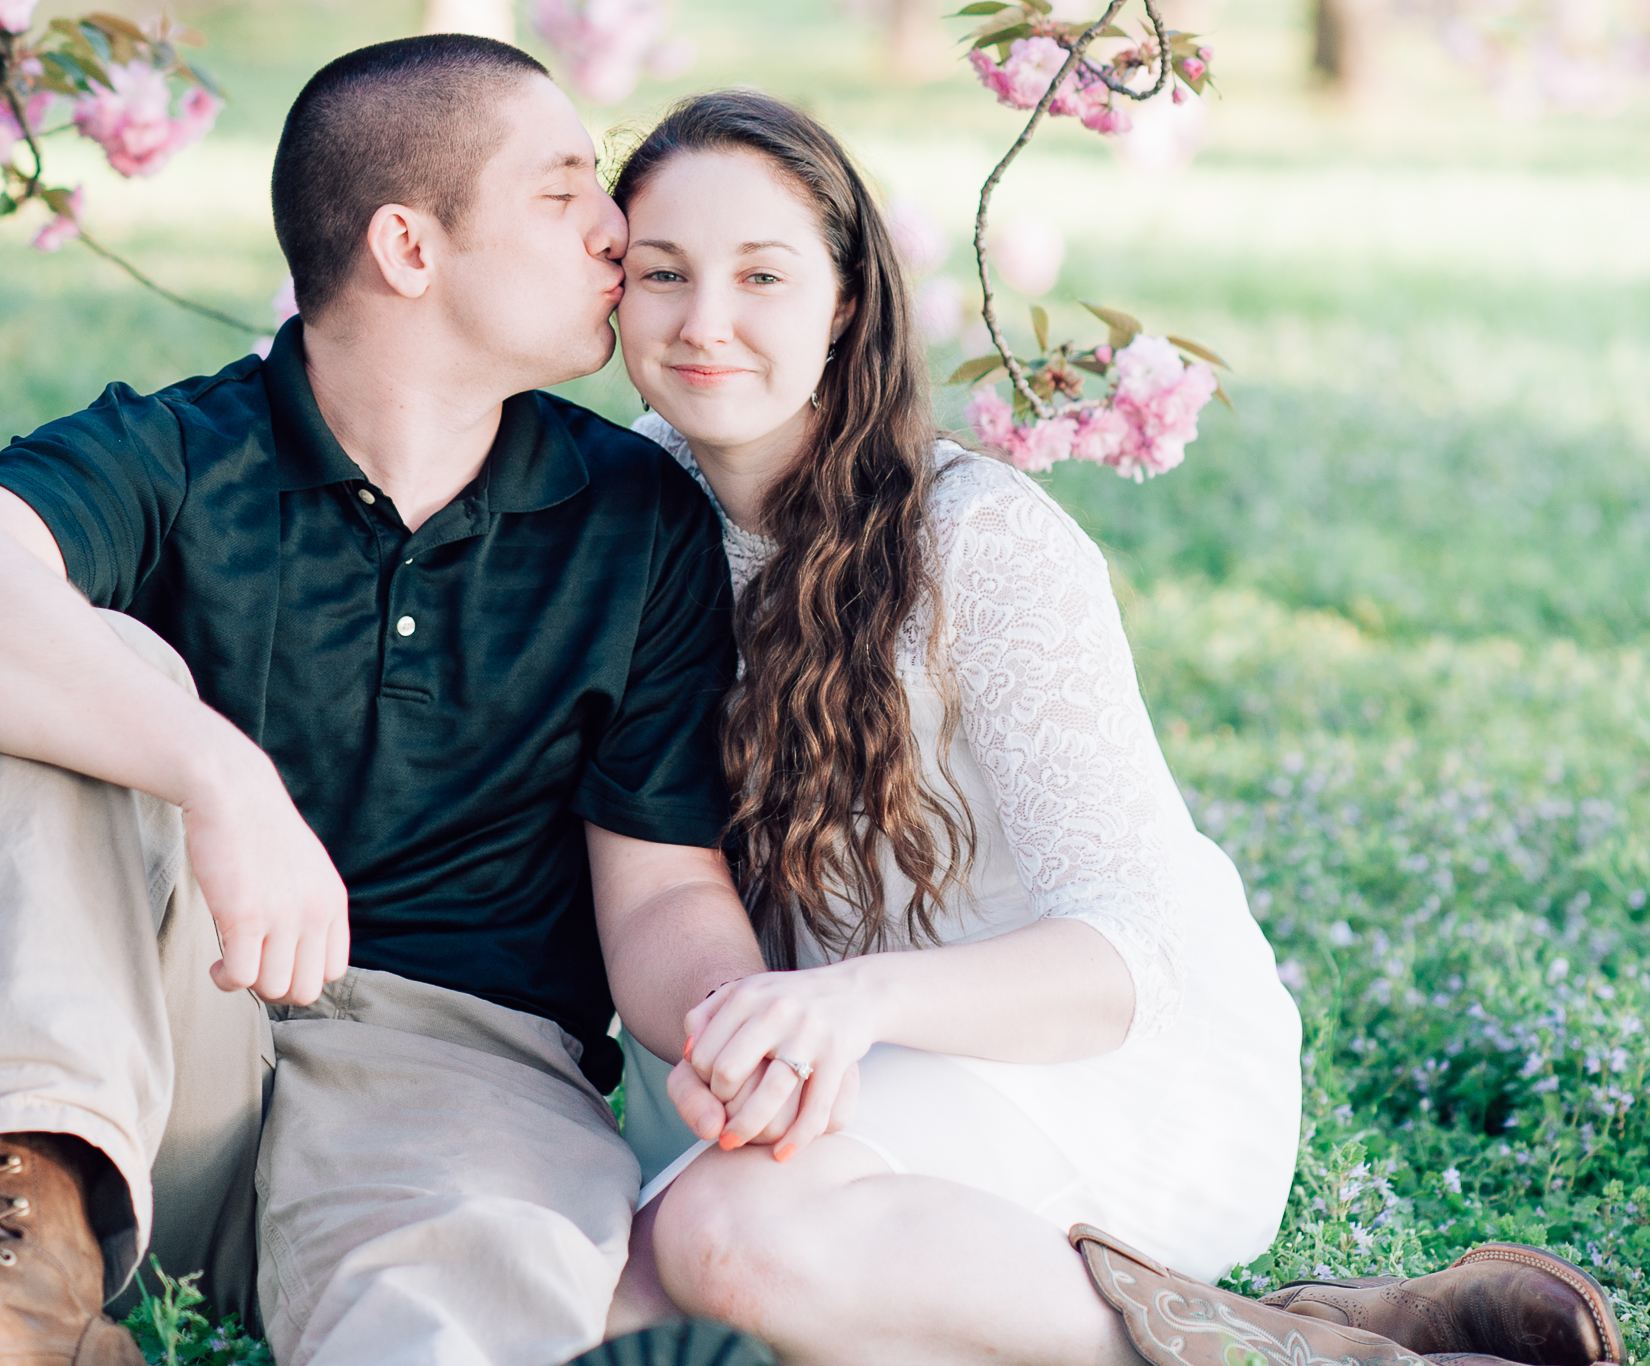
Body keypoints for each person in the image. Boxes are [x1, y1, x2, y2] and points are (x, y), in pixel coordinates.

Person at [601, 91, 1628, 1366]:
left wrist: (855, 1002)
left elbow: (1130, 952)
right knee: (608, 1302)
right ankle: (1285, 1329)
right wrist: (756, 1021)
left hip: (1092, 1061)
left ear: (847, 301)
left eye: (763, 273)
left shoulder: (976, 541)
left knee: (732, 1245)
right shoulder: (609, 519)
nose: (706, 322)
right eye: (662, 273)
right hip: (793, 1059)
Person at [0, 36, 775, 1366]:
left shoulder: (636, 519)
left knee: (463, 1300)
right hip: (158, 1058)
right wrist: (217, 773)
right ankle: (32, 1270)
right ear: (410, 248)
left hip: (451, 1085)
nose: (617, 226)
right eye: (562, 190)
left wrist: (731, 1018)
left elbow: (657, 887)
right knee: (82, 672)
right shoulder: (182, 450)